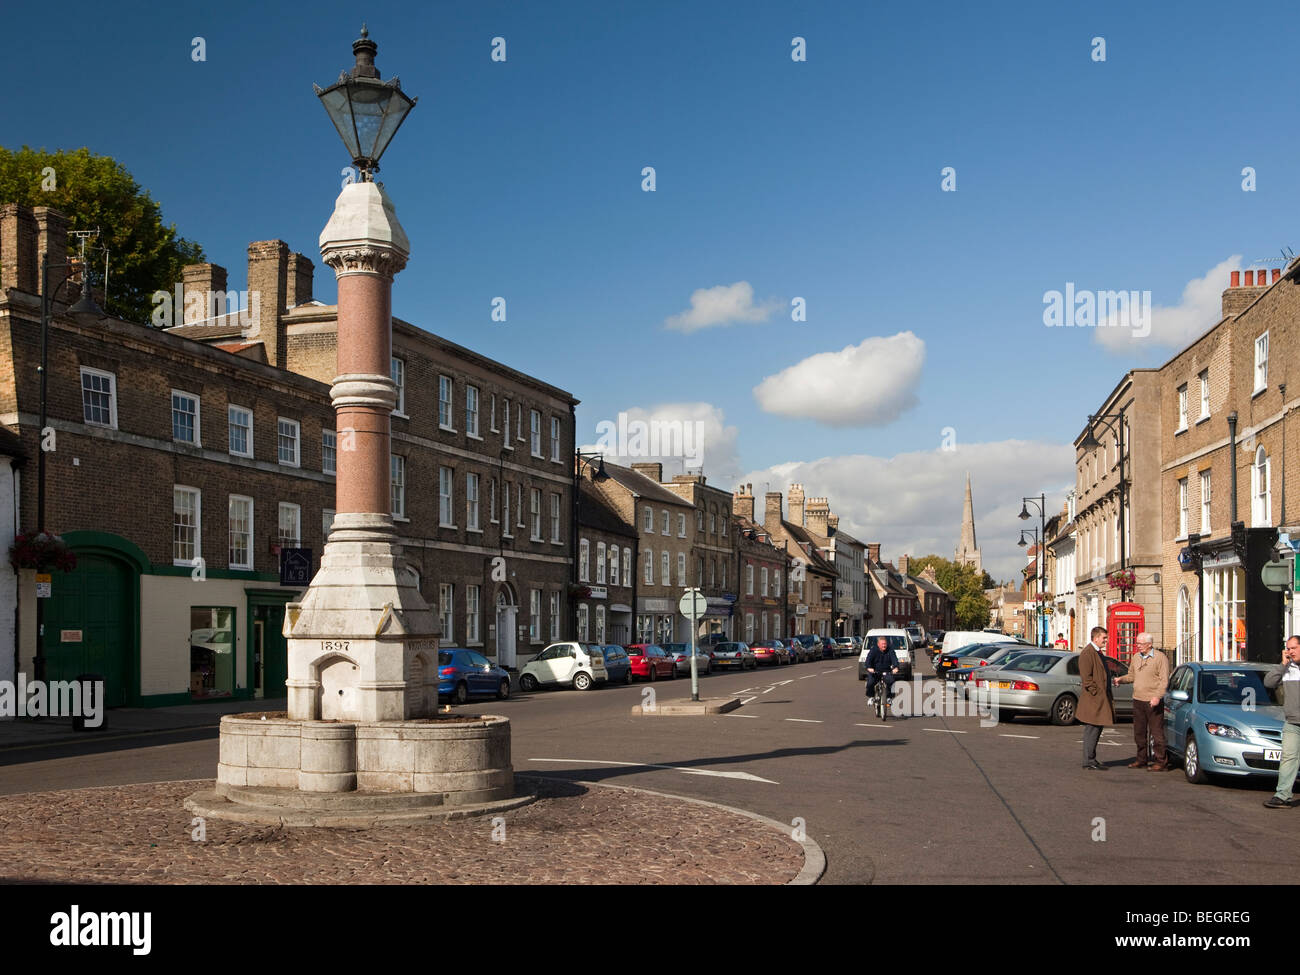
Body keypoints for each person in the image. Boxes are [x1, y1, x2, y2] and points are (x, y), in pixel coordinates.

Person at [1112, 631, 1170, 770]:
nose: (1138, 646)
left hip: (1153, 700)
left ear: (1150, 644)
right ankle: (1141, 759)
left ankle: (1161, 761)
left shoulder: (1160, 658)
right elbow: (1132, 676)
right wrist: (1121, 679)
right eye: (1137, 643)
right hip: (1138, 699)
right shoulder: (1136, 657)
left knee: (1156, 733)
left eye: (1141, 643)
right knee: (1139, 732)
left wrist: (1157, 696)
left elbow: (1164, 681)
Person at [1263, 635, 1300, 808]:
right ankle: (1282, 795)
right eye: (1288, 648)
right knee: (1288, 758)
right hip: (1293, 722)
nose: (1290, 652)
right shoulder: (1287, 668)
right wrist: (1283, 664)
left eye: (1294, 648)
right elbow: (1268, 682)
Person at [1078, 626, 1115, 770]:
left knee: (1097, 729)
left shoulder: (1098, 652)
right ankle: (1088, 761)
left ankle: (1091, 758)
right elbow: (1086, 678)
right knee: (1092, 730)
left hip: (1100, 698)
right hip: (1094, 700)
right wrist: (1096, 692)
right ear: (1096, 638)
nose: (1106, 641)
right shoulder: (1087, 653)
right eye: (1104, 638)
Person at [865, 636, 900, 708]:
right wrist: (869, 667)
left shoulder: (890, 650)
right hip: (875, 671)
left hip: (886, 671)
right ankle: (871, 697)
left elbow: (894, 659)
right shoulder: (873, 650)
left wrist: (895, 667)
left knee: (891, 681)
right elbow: (868, 660)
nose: (884, 645)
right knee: (870, 682)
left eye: (885, 644)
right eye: (882, 644)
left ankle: (889, 698)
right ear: (878, 644)